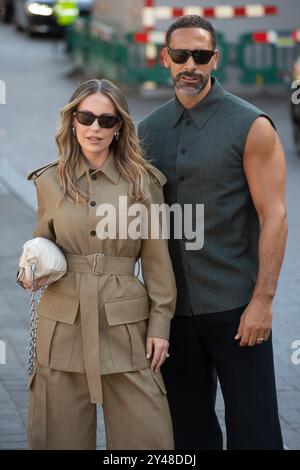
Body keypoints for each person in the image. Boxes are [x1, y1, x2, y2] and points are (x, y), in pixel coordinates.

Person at [138, 15, 287, 450]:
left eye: (200, 56)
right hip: (174, 315)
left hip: (237, 308)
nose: (190, 65)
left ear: (214, 59)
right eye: (181, 55)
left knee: (255, 430)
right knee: (187, 432)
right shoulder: (147, 132)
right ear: (165, 58)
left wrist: (263, 302)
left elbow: (274, 215)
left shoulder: (251, 125)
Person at [22, 78, 176, 450]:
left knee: (147, 439)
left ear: (119, 127)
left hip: (125, 325)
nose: (95, 128)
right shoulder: (48, 181)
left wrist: (161, 325)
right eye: (87, 117)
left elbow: (157, 262)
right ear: (72, 121)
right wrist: (28, 270)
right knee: (59, 438)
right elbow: (41, 242)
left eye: (107, 121)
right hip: (62, 324)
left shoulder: (143, 183)